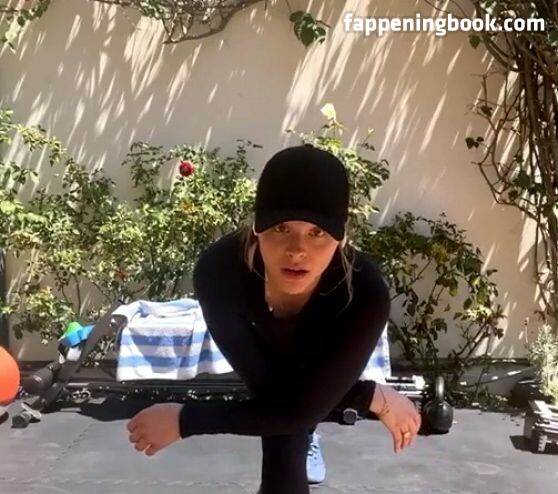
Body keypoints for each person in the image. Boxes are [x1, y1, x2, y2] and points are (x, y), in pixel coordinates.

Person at [127, 144, 421, 493]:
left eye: (317, 233)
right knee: (286, 413)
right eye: (282, 228)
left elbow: (296, 411)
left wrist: (184, 420)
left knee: (292, 420)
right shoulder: (219, 272)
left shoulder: (364, 295)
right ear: (257, 228)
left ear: (341, 239)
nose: (297, 250)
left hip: (317, 360)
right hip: (282, 381)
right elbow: (273, 392)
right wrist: (367, 397)